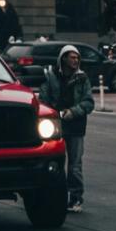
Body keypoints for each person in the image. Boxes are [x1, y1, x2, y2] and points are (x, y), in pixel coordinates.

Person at [39, 43, 94, 212]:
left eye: (77, 58)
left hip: (76, 126)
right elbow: (43, 98)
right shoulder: (51, 77)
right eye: (72, 57)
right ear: (63, 59)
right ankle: (50, 197)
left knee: (75, 165)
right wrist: (54, 113)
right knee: (53, 162)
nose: (76, 61)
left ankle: (76, 198)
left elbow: (89, 102)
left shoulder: (83, 78)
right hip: (56, 126)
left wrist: (73, 111)